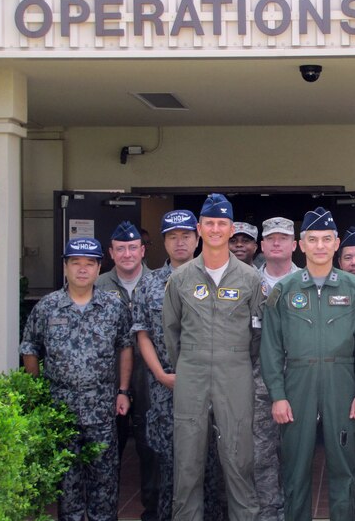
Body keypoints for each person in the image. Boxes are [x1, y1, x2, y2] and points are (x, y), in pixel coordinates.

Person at [261, 207, 355, 521]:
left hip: (342, 382)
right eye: (312, 239)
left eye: (326, 239)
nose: (319, 246)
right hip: (297, 382)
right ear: (301, 245)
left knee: (343, 468)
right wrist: (278, 395)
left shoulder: (354, 289)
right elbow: (270, 347)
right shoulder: (283, 291)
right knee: (295, 469)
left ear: (336, 243)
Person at [163, 193, 263, 521]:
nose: (216, 229)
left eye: (222, 223)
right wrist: (189, 363)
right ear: (199, 228)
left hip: (235, 371)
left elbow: (258, 334)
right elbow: (171, 332)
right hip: (191, 370)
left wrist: (234, 360)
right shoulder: (180, 279)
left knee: (238, 459)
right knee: (187, 463)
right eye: (210, 223)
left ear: (231, 228)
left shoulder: (250, 279)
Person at [21, 237, 133, 521]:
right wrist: (37, 392)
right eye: (76, 263)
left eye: (89, 264)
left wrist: (123, 390)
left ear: (98, 269)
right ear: (65, 267)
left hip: (102, 409)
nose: (82, 270)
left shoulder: (113, 306)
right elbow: (30, 347)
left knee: (105, 484)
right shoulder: (48, 307)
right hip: (61, 410)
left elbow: (125, 347)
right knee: (67, 486)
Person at [132, 210, 200, 521]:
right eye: (173, 236)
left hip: (207, 386)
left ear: (197, 239)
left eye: (186, 235)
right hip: (165, 387)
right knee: (167, 463)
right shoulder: (148, 284)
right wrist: (160, 374)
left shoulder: (212, 278)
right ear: (164, 242)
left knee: (209, 462)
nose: (180, 242)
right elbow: (141, 333)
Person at [97, 220, 158, 521]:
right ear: (111, 252)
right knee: (108, 451)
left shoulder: (160, 283)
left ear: (143, 250)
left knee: (150, 447)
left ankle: (152, 512)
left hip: (149, 377)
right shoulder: (97, 286)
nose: (127, 254)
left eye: (133, 248)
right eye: (120, 249)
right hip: (110, 379)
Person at [254, 216, 299, 521]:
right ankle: (269, 514)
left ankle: (296, 512)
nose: (277, 243)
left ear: (295, 244)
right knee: (261, 455)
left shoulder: (310, 282)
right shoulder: (246, 282)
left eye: (283, 238)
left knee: (297, 454)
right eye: (271, 238)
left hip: (299, 380)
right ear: (262, 245)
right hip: (257, 383)